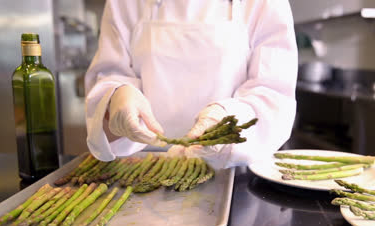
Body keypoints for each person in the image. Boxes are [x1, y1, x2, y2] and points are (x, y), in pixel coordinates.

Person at [85, 0, 298, 169]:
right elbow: (109, 74)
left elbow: (274, 92)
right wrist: (116, 96)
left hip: (234, 168)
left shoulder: (264, 3)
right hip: (143, 168)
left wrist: (225, 123)